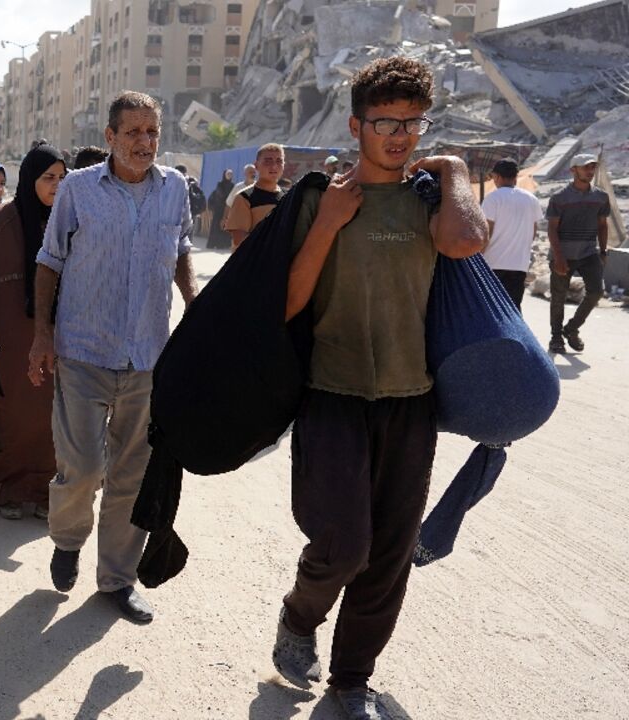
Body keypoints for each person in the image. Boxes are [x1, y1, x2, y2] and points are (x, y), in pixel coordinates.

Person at [276, 57, 486, 720]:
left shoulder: (429, 199)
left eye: (411, 122)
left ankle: (350, 681)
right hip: (331, 391)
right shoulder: (318, 197)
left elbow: (466, 242)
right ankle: (300, 612)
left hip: (409, 396)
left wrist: (453, 173)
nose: (399, 134)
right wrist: (333, 221)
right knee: (344, 543)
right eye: (384, 121)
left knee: (389, 555)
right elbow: (289, 301)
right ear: (356, 124)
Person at [28, 91, 199, 625]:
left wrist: (194, 307)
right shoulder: (77, 190)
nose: (145, 142)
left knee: (132, 474)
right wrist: (41, 334)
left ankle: (117, 580)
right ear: (110, 137)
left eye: (152, 132)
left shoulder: (175, 190)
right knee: (81, 467)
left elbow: (183, 252)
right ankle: (68, 539)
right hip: (82, 350)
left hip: (149, 355)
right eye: (133, 133)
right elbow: (49, 262)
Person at [0, 143, 66, 520]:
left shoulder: (67, 219)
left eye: (61, 178)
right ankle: (6, 489)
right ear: (30, 179)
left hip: (57, 336)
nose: (56, 185)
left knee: (50, 417)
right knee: (10, 415)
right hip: (7, 337)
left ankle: (42, 491)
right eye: (47, 178)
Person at [545, 153, 610, 354]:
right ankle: (556, 337)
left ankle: (571, 328)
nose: (590, 172)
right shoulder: (559, 198)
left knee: (596, 292)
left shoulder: (600, 197)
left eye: (592, 168)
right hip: (562, 254)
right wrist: (558, 257)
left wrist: (603, 251)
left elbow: (602, 225)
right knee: (559, 296)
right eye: (585, 167)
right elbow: (552, 229)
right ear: (573, 170)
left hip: (589, 252)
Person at [480, 158, 544, 309]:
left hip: (493, 264)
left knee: (491, 309)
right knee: (513, 309)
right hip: (519, 265)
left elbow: (486, 232)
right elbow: (533, 232)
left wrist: (478, 257)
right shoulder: (531, 199)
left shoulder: (492, 198)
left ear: (497, 177)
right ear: (516, 176)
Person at [227, 144, 286, 248]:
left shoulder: (288, 197)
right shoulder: (245, 198)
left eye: (279, 161)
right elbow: (240, 240)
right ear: (257, 165)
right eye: (268, 161)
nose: (274, 166)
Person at [207, 169, 236, 249]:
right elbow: (220, 195)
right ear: (224, 175)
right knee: (217, 226)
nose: (229, 175)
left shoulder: (233, 185)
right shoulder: (220, 184)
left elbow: (234, 196)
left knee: (226, 226)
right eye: (228, 174)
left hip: (228, 208)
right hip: (219, 209)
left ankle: (225, 244)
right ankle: (215, 243)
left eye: (231, 174)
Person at [177, 164, 206, 239]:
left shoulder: (191, 183)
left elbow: (200, 196)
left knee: (187, 233)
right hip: (178, 212)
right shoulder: (171, 182)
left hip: (189, 211)